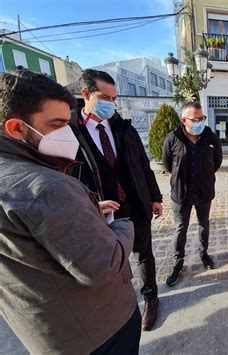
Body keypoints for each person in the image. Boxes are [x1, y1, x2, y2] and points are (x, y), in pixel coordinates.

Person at [0, 70, 140, 354]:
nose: (67, 132)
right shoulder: (44, 186)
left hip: (49, 331)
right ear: (16, 128)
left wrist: (85, 210)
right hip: (97, 331)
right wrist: (125, 226)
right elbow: (103, 263)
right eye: (57, 124)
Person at [71, 69, 163, 331]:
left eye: (114, 98)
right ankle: (120, 305)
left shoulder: (123, 128)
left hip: (135, 203)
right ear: (86, 94)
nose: (110, 104)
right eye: (104, 97)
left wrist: (155, 197)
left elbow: (144, 166)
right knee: (112, 262)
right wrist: (88, 205)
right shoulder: (70, 132)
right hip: (100, 211)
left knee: (144, 254)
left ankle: (151, 298)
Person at [162, 102, 223, 286]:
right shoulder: (173, 138)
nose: (199, 122)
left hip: (204, 192)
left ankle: (204, 254)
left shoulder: (210, 137)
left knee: (204, 224)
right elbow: (167, 165)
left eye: (201, 118)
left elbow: (217, 162)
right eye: (194, 119)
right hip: (182, 194)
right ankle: (177, 264)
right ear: (184, 120)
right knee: (181, 228)